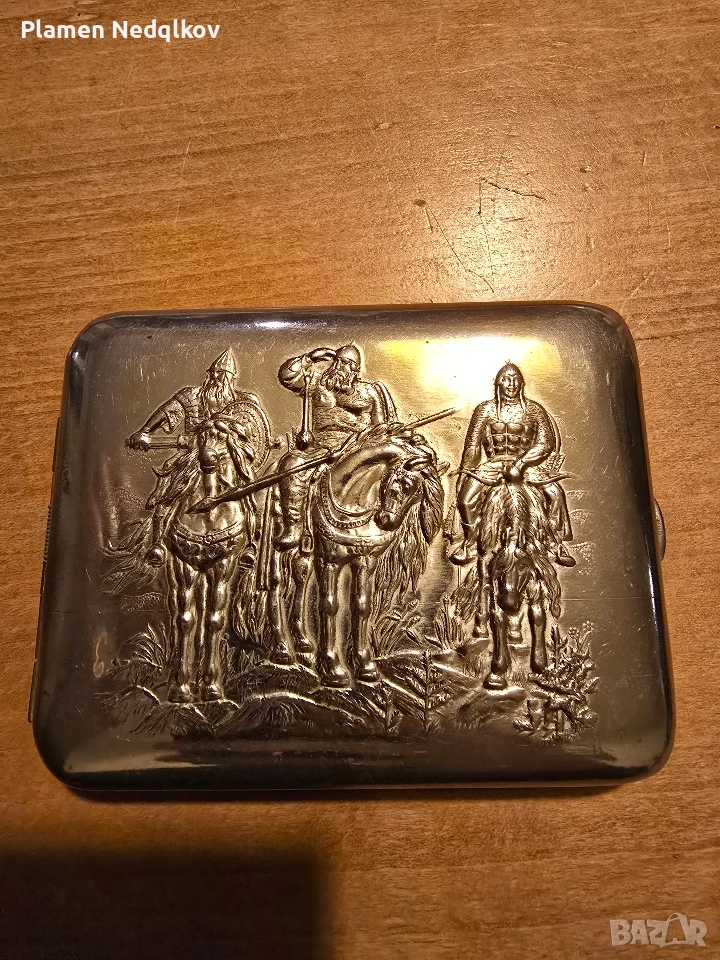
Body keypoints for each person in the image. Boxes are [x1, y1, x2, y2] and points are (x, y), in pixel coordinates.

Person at [127, 348, 257, 564]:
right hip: (193, 455)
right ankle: (157, 544)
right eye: (213, 372)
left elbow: (253, 431)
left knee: (248, 492)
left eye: (220, 374)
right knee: (168, 486)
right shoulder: (191, 395)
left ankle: (251, 545)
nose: (214, 377)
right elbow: (166, 411)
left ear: (230, 378)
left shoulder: (244, 402)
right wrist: (145, 431)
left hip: (229, 457)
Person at [449, 362, 575, 567]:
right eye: (506, 379)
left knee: (555, 494)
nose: (511, 384)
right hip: (493, 465)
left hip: (527, 466)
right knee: (465, 500)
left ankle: (555, 544)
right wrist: (466, 472)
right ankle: (471, 543)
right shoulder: (485, 410)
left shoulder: (534, 410)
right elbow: (473, 446)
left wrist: (521, 463)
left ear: (522, 383)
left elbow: (546, 443)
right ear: (498, 383)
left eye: (516, 379)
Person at [274, 343, 397, 549]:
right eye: (339, 362)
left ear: (356, 369)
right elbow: (286, 376)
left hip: (358, 449)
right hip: (320, 449)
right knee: (291, 463)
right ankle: (293, 527)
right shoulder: (315, 383)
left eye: (349, 364)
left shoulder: (369, 391)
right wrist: (311, 357)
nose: (342, 367)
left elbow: (381, 428)